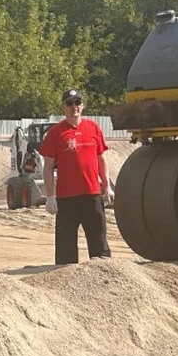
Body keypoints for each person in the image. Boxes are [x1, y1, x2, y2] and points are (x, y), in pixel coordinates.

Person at [40, 88, 114, 264]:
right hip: (67, 198)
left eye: (77, 103)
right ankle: (66, 277)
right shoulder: (56, 133)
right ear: (63, 107)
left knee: (99, 241)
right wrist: (50, 196)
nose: (74, 107)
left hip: (92, 194)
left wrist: (107, 186)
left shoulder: (93, 128)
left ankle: (103, 273)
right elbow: (48, 167)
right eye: (70, 103)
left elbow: (101, 160)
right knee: (66, 246)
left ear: (83, 105)